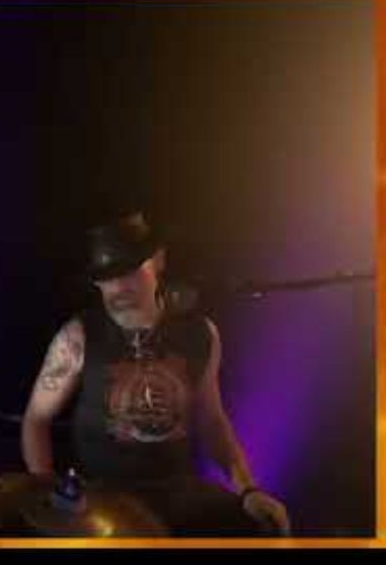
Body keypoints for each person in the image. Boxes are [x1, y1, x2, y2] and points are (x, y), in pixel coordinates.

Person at [20, 209, 291, 536]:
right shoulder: (77, 336)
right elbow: (36, 419)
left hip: (179, 495)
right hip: (103, 500)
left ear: (159, 260)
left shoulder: (201, 333)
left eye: (130, 271)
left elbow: (211, 420)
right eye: (107, 276)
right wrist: (47, 494)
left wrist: (248, 489)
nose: (118, 286)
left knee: (263, 527)